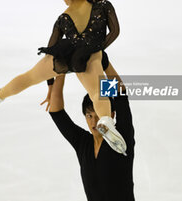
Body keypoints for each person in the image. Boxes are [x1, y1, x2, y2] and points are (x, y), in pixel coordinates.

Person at [0, 0, 127, 155]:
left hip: (63, 56)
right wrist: (95, 49)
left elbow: (51, 47)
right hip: (87, 58)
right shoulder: (102, 6)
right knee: (97, 92)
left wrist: (50, 84)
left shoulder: (63, 18)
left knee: (28, 77)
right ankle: (105, 121)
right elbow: (115, 31)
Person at [48, 62, 135, 201]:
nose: (94, 123)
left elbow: (120, 95)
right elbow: (56, 112)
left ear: (111, 115)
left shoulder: (121, 138)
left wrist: (104, 64)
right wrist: (61, 72)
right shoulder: (83, 143)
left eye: (98, 115)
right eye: (89, 116)